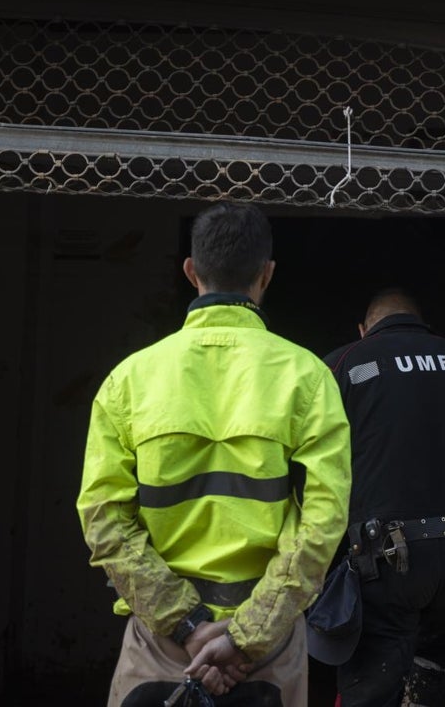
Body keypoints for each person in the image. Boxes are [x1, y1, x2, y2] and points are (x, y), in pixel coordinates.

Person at [77, 201, 352, 706]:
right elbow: (323, 523)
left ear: (190, 272)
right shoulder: (308, 378)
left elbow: (104, 521)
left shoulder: (128, 380)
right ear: (266, 275)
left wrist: (188, 627)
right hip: (266, 646)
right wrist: (243, 637)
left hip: (161, 643)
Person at [317, 287, 445, 707]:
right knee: (429, 673)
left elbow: (314, 472)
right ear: (426, 325)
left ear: (364, 329)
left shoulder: (345, 363)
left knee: (370, 686)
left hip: (386, 561)